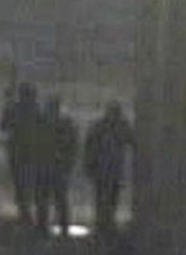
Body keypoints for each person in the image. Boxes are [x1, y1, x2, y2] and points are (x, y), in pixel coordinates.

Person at [83, 101, 135, 235]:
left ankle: (107, 223)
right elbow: (89, 146)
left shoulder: (118, 127)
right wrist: (89, 164)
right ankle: (102, 224)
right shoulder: (101, 127)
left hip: (112, 169)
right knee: (102, 198)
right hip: (103, 169)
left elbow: (132, 141)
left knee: (110, 198)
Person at [34, 96, 78, 237]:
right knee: (57, 199)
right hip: (56, 166)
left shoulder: (42, 123)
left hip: (48, 166)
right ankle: (62, 227)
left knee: (46, 198)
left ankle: (45, 227)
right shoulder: (65, 123)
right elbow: (73, 145)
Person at [0, 82, 41, 225]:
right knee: (26, 183)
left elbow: (4, 126)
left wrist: (7, 106)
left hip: (21, 152)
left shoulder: (17, 109)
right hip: (27, 152)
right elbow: (5, 126)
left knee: (22, 184)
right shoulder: (35, 111)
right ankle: (26, 212)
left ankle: (25, 212)